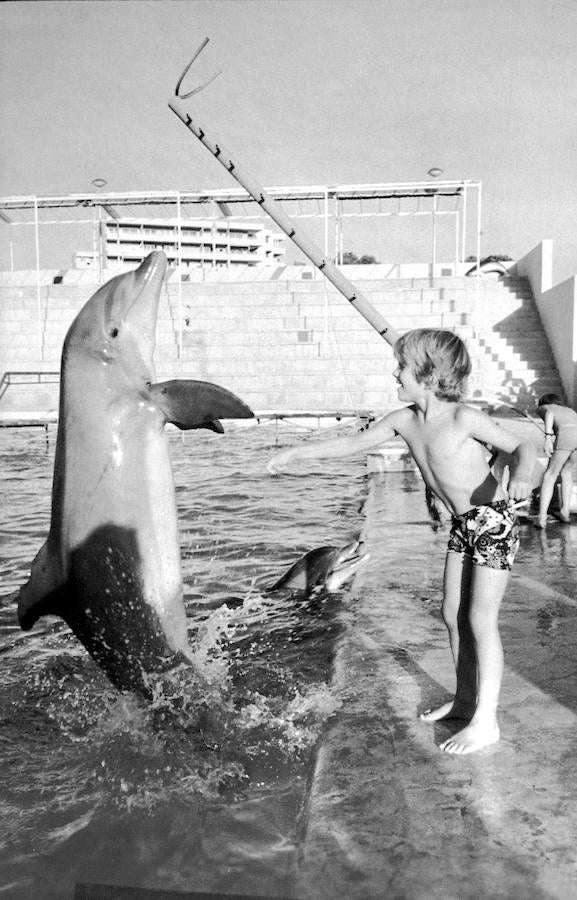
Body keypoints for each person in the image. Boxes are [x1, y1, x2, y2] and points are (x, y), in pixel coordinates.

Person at [267, 329, 536, 755]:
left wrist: (520, 474)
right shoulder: (404, 419)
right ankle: (466, 700)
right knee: (452, 613)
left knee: (480, 619)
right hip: (463, 525)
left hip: (492, 521)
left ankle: (487, 720)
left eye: (402, 367)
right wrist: (296, 455)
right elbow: (352, 443)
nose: (395, 372)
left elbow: (523, 446)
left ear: (428, 375)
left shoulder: (463, 418)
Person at [535, 393, 577, 528]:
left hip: (565, 437)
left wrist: (547, 437)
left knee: (550, 475)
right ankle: (565, 512)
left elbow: (549, 413)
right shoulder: (569, 410)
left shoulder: (545, 407)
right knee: (566, 473)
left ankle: (542, 518)